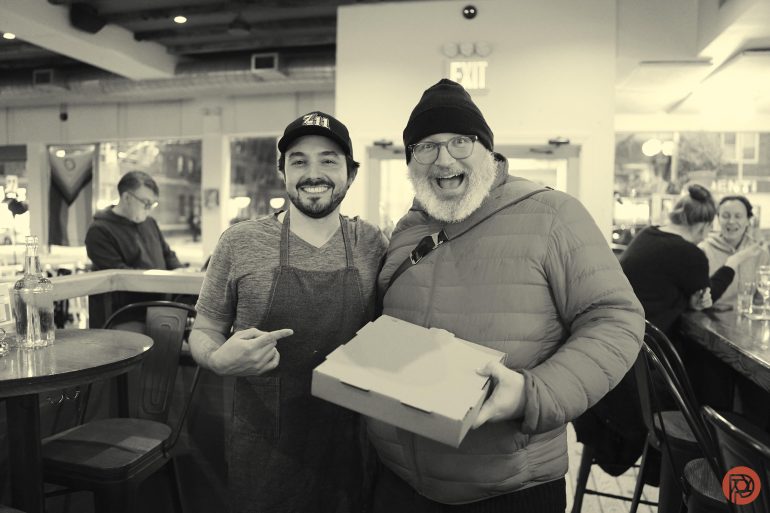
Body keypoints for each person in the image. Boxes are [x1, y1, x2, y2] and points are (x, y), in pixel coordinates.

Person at [370, 78, 645, 512]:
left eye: (460, 141)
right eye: (426, 146)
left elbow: (616, 319)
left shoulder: (553, 215)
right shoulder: (407, 232)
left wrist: (532, 393)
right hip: (400, 482)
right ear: (410, 160)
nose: (444, 159)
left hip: (509, 487)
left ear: (487, 150)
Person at [189, 111, 388, 513]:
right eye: (299, 161)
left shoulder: (371, 243)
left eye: (328, 160)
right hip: (265, 450)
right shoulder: (240, 242)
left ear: (351, 173)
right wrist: (216, 359)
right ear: (282, 172)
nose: (313, 174)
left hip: (351, 444)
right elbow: (204, 329)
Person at [620, 185, 761, 337]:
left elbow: (663, 289)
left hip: (623, 326)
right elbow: (708, 297)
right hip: (647, 339)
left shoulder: (648, 233)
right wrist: (733, 262)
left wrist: (691, 301)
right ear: (703, 226)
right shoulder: (689, 253)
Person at [84, 170, 182, 326]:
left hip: (159, 307)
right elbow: (121, 276)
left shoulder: (150, 223)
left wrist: (180, 272)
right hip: (123, 315)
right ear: (126, 198)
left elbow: (167, 254)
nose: (149, 208)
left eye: (152, 204)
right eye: (146, 202)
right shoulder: (99, 231)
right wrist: (164, 282)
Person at [698, 195, 769, 307]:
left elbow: (762, 298)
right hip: (710, 315)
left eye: (738, 216)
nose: (731, 221)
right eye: (725, 216)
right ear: (718, 219)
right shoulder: (703, 250)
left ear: (748, 220)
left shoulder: (759, 252)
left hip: (748, 314)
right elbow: (699, 299)